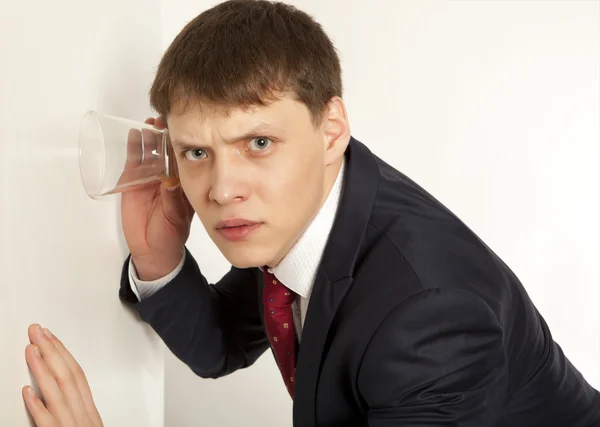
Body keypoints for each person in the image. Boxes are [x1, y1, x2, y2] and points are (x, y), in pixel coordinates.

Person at [22, 0, 600, 426]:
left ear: (331, 130)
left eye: (258, 144)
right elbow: (224, 344)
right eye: (197, 152)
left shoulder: (429, 318)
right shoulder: (313, 213)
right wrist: (159, 258)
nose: (223, 189)